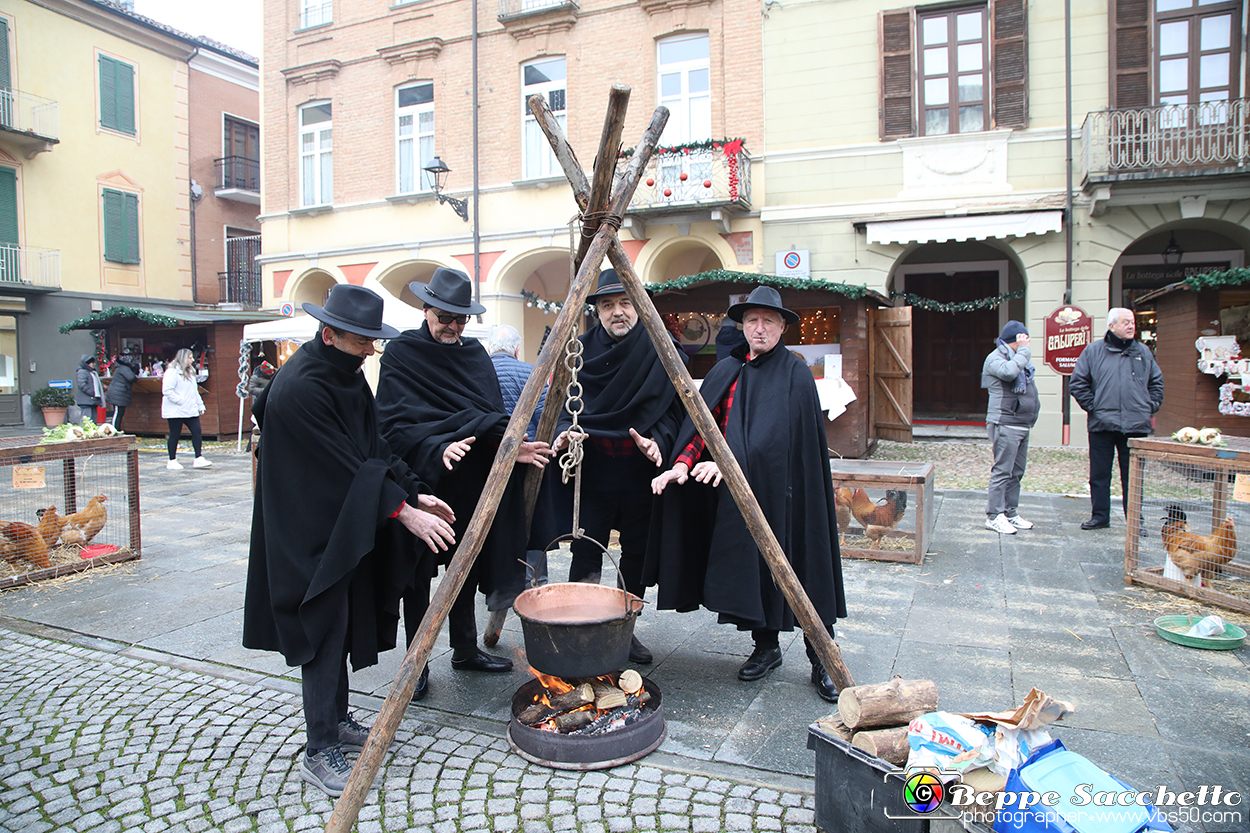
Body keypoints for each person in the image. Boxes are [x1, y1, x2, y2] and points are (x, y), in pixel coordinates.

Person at [243, 283, 457, 798]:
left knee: (337, 627)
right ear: (329, 333)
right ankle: (319, 750)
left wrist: (415, 491)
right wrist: (403, 513)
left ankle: (336, 721)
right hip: (303, 530)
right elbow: (342, 465)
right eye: (361, 339)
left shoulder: (347, 374)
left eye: (372, 340)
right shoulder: (300, 387)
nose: (369, 349)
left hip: (337, 524)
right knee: (321, 630)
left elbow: (373, 447)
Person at [647, 286, 846, 703]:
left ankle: (821, 657)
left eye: (768, 321)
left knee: (804, 568)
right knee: (756, 569)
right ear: (743, 326)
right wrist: (682, 465)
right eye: (752, 320)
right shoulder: (727, 370)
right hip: (742, 495)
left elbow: (777, 439)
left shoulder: (794, 375)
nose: (759, 328)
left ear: (781, 328)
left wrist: (728, 463)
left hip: (790, 494)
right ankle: (767, 646)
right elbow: (704, 426)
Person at [376, 267, 552, 680]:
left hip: (473, 479)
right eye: (444, 317)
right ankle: (416, 663)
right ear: (426, 310)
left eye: (461, 319)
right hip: (424, 479)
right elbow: (395, 423)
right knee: (418, 577)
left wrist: (511, 447)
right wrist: (438, 446)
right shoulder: (402, 353)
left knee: (469, 565)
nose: (453, 326)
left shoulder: (474, 354)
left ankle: (465, 648)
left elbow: (490, 415)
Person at [550, 268, 687, 665]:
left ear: (639, 308)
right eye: (608, 305)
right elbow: (561, 406)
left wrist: (659, 444)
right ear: (597, 311)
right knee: (587, 552)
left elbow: (675, 414)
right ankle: (583, 628)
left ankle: (626, 630)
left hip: (639, 476)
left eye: (625, 303)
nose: (618, 312)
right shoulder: (579, 352)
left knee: (636, 556)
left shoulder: (661, 349)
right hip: (592, 475)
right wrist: (563, 434)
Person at [1070, 308, 1164, 530]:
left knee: (1133, 476)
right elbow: (1077, 383)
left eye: (1132, 322)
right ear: (1111, 326)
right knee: (1099, 474)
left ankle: (1135, 521)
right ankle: (1100, 517)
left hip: (1135, 424)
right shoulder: (1093, 351)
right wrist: (1094, 408)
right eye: (1126, 323)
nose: (1131, 326)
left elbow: (1156, 383)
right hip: (1102, 424)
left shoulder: (1143, 352)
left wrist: (1149, 407)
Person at [982, 321, 1040, 535]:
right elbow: (1008, 372)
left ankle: (1010, 512)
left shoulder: (1018, 359)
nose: (1027, 344)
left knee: (1017, 472)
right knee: (1002, 470)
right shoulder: (995, 358)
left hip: (1022, 422)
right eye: (1024, 340)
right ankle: (994, 515)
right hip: (1005, 421)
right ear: (1016, 339)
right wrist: (1024, 351)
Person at [487, 324, 546, 439]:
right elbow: (543, 413)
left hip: (490, 442)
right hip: (526, 444)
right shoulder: (532, 372)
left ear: (489, 350)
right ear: (517, 350)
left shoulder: (477, 372)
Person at [161, 348, 211, 470]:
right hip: (176, 410)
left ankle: (198, 457)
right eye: (190, 357)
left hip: (190, 409)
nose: (192, 360)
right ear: (183, 358)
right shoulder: (172, 372)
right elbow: (167, 390)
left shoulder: (191, 373)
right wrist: (180, 400)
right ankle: (172, 460)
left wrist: (200, 404)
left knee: (197, 431)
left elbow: (194, 391)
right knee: (175, 434)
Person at [105, 353, 138, 430]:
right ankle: (113, 430)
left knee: (119, 412)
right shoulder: (124, 368)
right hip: (118, 394)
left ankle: (116, 429)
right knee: (118, 413)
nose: (133, 364)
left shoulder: (121, 367)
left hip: (118, 393)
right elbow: (131, 378)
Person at [74, 354, 105, 424]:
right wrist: (92, 392)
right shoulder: (82, 372)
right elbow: (82, 384)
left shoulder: (91, 372)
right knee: (86, 420)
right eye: (92, 363)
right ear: (88, 363)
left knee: (93, 420)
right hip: (86, 400)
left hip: (93, 400)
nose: (94, 364)